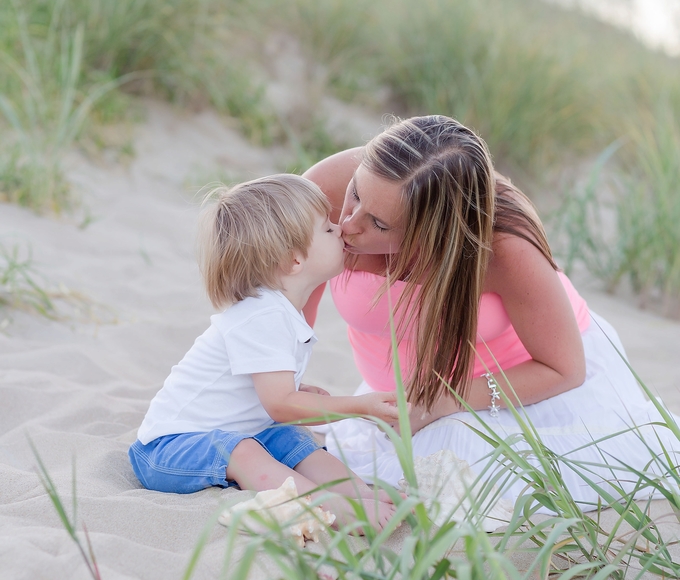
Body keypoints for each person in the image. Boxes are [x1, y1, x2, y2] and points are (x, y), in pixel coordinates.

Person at [304, 114, 678, 509]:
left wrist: (443, 401)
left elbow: (563, 368)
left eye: (379, 224)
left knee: (454, 491)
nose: (347, 224)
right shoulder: (327, 189)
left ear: (437, 232)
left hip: (523, 386)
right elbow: (279, 303)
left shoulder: (507, 249)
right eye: (355, 194)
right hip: (405, 389)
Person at [128, 174, 398, 530]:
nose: (341, 229)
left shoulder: (280, 312)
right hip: (165, 450)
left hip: (231, 433)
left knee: (288, 437)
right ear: (294, 260)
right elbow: (281, 406)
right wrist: (360, 407)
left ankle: (358, 493)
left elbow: (277, 402)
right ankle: (325, 508)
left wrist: (298, 394)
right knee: (245, 450)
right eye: (327, 229)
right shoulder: (264, 314)